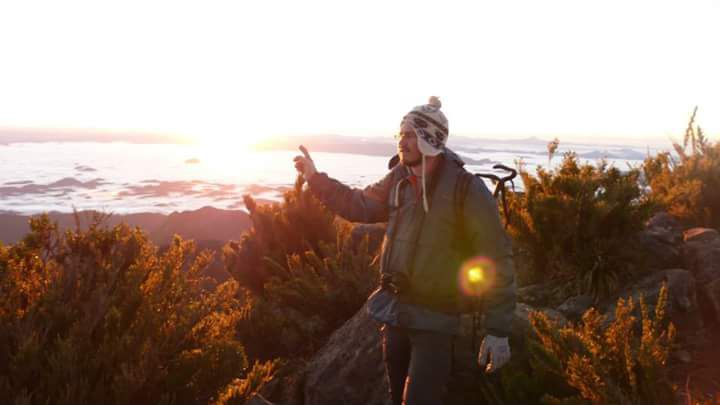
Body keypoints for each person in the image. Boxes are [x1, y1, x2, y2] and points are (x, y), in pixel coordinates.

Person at [293, 97, 516, 405]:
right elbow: (358, 204)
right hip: (395, 314)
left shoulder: (466, 189)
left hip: (436, 319)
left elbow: (495, 257)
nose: (402, 141)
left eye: (411, 134)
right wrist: (315, 178)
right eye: (400, 134)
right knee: (396, 396)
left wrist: (498, 331)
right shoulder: (399, 178)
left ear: (431, 139)